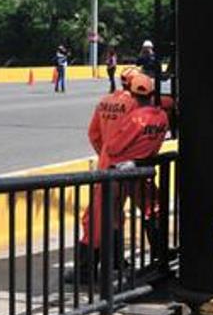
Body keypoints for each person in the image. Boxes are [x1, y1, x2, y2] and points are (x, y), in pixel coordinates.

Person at [70, 73, 169, 283]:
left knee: (101, 217)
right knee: (151, 208)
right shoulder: (144, 111)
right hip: (137, 169)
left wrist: (105, 157)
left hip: (112, 167)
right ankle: (156, 260)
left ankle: (88, 270)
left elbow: (95, 135)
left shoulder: (106, 102)